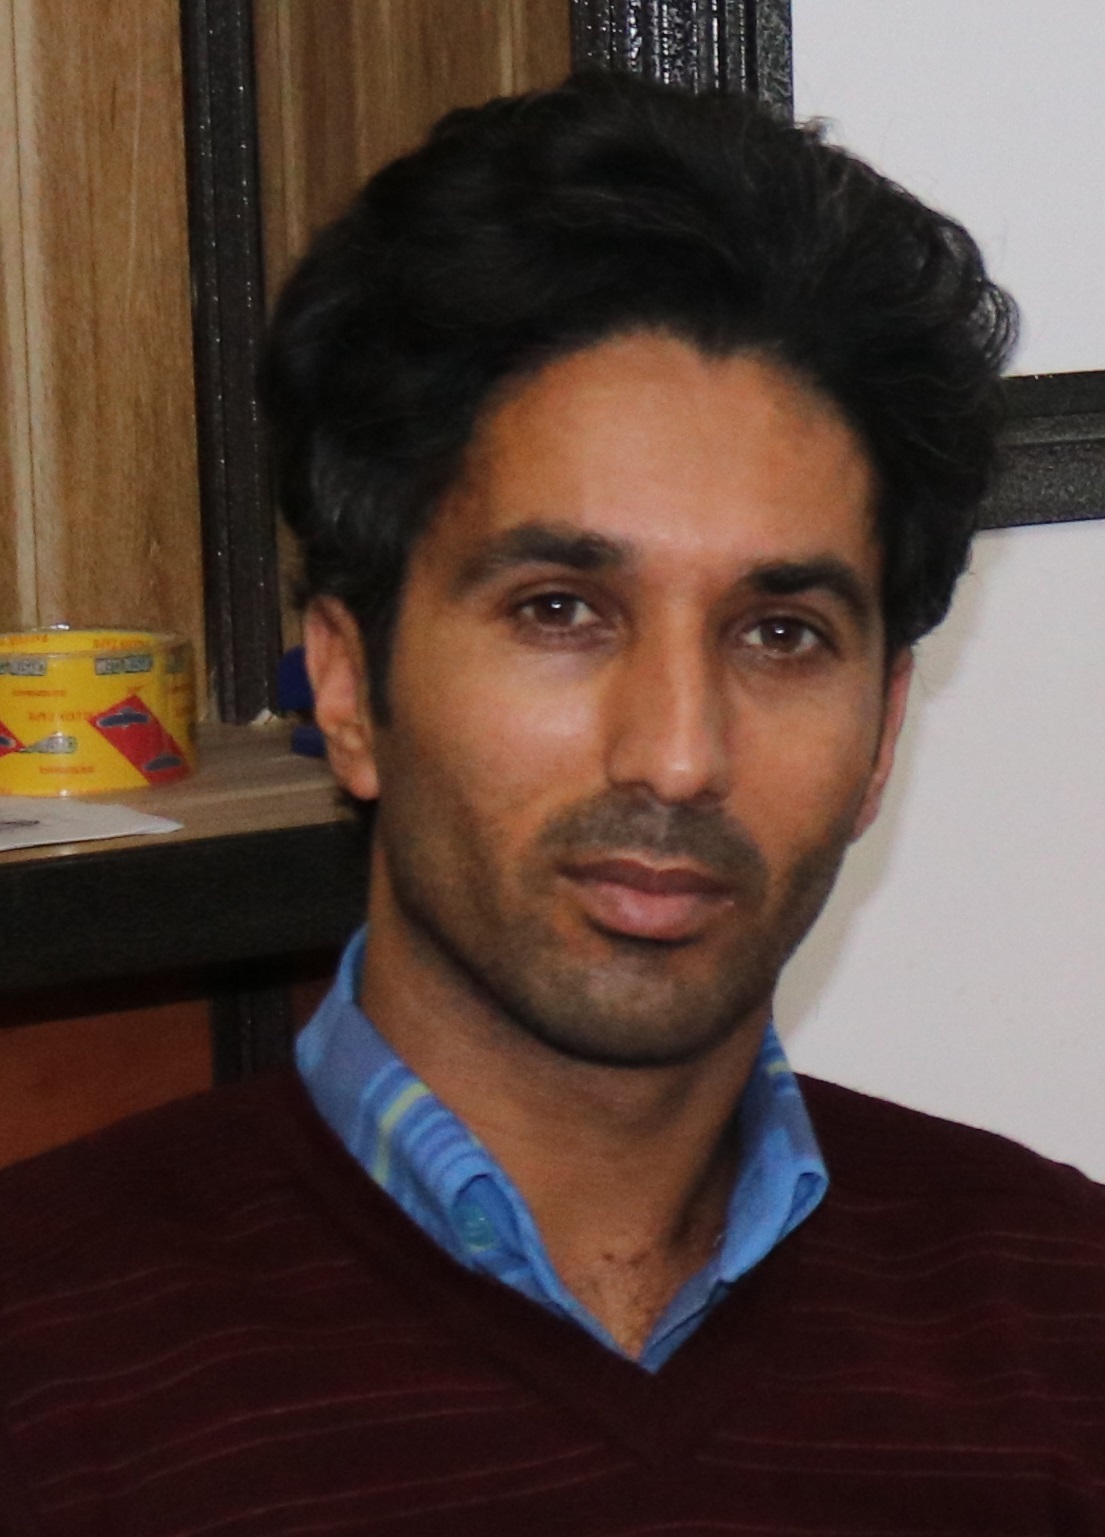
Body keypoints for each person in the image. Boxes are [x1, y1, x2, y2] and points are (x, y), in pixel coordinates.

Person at [1, 72, 1102, 1536]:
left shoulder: (1059, 1321)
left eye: (781, 633)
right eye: (561, 609)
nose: (677, 755)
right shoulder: (45, 1371)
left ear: (884, 727)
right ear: (348, 684)